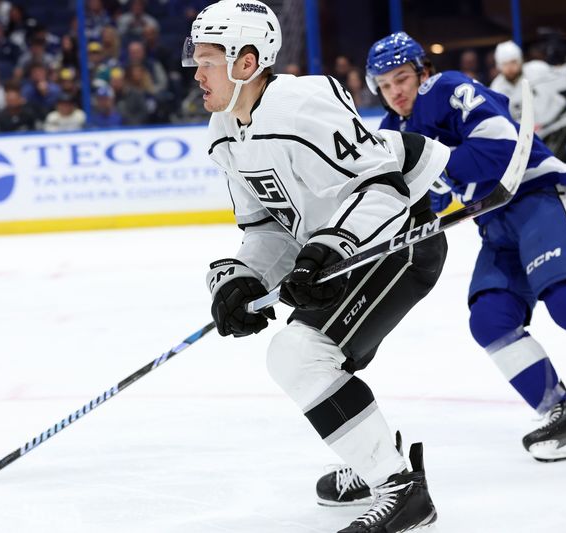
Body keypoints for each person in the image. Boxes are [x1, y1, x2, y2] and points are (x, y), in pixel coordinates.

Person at [315, 31, 566, 507]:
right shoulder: (397, 132)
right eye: (385, 83)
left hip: (539, 197)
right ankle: (562, 415)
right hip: (497, 225)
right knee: (491, 319)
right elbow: (424, 202)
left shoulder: (447, 89)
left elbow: (499, 146)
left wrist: (435, 167)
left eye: (402, 78)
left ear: (422, 72)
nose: (396, 90)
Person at [184, 3, 452, 532]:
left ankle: (400, 488)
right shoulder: (224, 132)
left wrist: (328, 248)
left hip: (397, 241)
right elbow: (267, 228)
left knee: (300, 353)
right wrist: (245, 279)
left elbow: (383, 188)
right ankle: (373, 456)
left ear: (246, 62)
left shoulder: (302, 104)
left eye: (208, 59)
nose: (197, 72)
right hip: (342, 253)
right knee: (307, 358)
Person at [490, 40, 566, 163]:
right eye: (505, 64)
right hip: (535, 137)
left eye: (513, 62)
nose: (510, 68)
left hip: (558, 125)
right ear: (499, 66)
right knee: (556, 171)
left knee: (546, 164)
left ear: (520, 60)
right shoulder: (497, 88)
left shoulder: (537, 71)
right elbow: (501, 120)